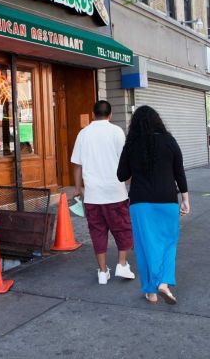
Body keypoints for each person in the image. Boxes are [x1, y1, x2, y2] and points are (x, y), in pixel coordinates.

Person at [117, 106, 189, 305]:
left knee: (145, 246)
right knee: (168, 243)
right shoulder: (169, 141)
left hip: (140, 203)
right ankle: (164, 281)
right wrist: (185, 200)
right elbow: (179, 173)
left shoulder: (131, 144)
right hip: (167, 200)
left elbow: (121, 175)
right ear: (158, 120)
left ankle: (151, 292)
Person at [71, 101, 135, 285]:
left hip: (93, 194)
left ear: (93, 113)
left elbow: (77, 164)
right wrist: (128, 184)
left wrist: (78, 188)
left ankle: (102, 271)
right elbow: (125, 161)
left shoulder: (83, 133)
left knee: (97, 232)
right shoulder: (117, 132)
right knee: (123, 228)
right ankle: (122, 264)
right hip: (116, 192)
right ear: (111, 114)